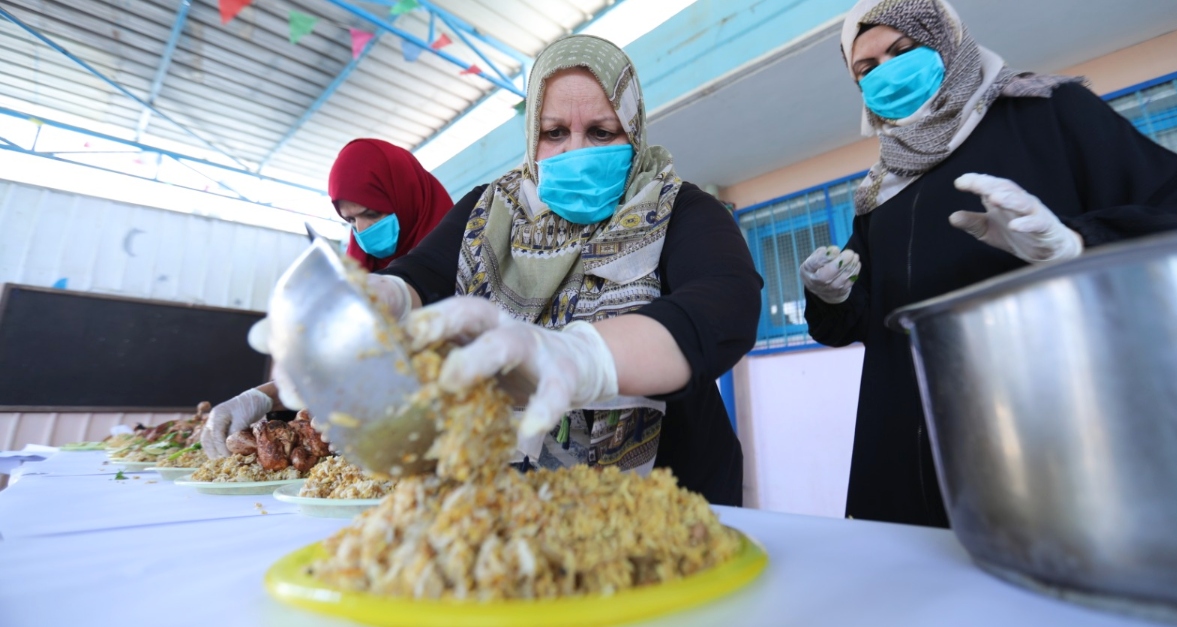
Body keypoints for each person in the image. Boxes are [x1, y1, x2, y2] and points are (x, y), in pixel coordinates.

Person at [801, 0, 1177, 528]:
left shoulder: (1048, 110)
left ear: (947, 41)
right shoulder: (881, 190)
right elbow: (862, 320)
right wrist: (833, 295)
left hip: (1064, 443)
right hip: (915, 457)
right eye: (865, 69)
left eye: (902, 50)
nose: (886, 73)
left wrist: (1076, 243)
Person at [338, 35, 761, 506]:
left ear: (634, 133)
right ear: (531, 136)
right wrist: (385, 293)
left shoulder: (676, 208)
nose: (573, 151)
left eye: (601, 132)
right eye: (554, 132)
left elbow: (727, 301)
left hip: (669, 504)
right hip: (510, 510)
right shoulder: (489, 211)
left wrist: (584, 358)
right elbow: (423, 274)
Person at [201, 139, 453, 458]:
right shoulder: (357, 271)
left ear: (406, 196)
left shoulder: (463, 254)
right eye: (350, 221)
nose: (362, 230)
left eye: (372, 214)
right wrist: (263, 396)